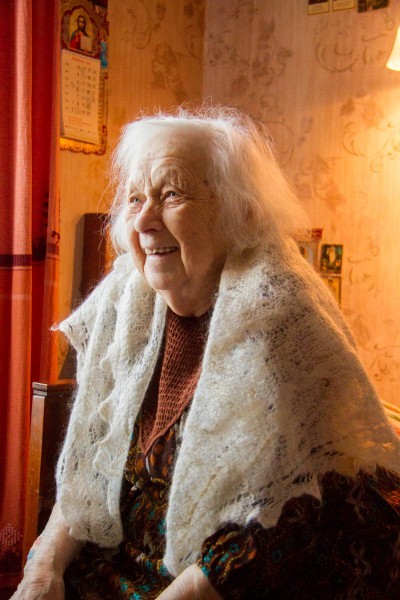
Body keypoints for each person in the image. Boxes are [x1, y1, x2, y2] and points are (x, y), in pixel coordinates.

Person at [12, 107, 400, 599]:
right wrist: (43, 568)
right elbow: (91, 467)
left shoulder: (279, 316)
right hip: (121, 565)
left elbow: (277, 527)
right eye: (135, 199)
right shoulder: (124, 301)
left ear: (238, 213)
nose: (144, 220)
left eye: (172, 195)